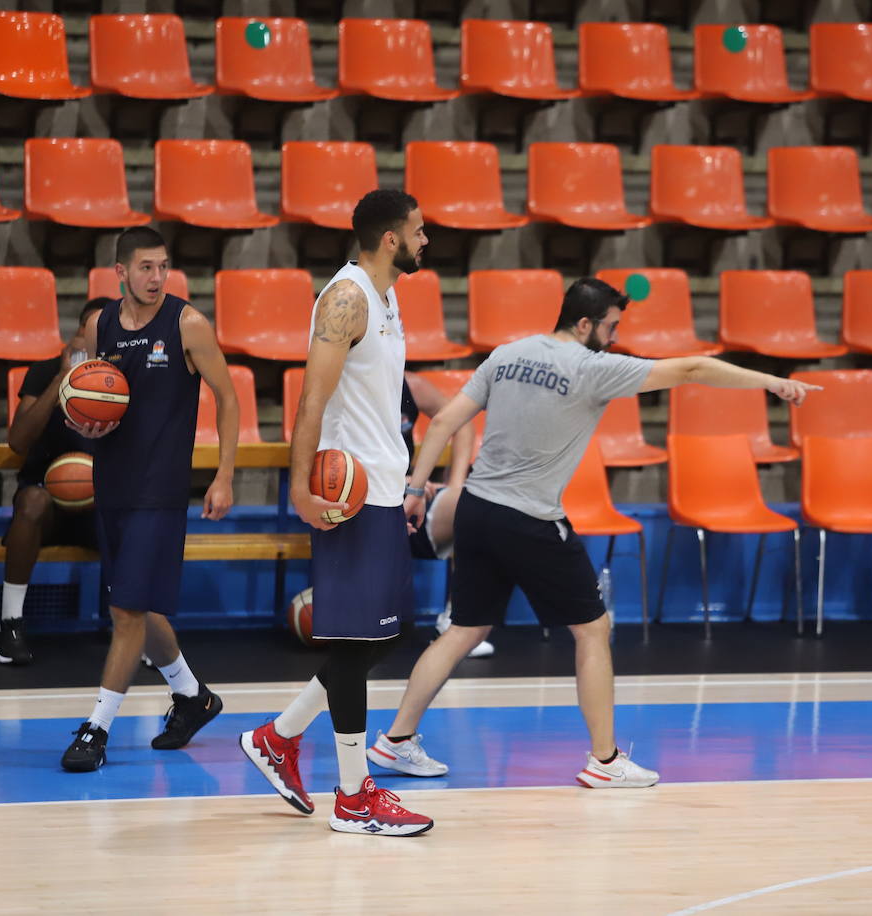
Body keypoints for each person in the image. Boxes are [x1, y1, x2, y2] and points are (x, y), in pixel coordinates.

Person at [378, 277, 820, 787]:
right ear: (584, 323)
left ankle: (395, 741)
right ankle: (605, 762)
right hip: (530, 519)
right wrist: (770, 382)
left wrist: (414, 492)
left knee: (463, 630)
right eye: (610, 327)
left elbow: (441, 424)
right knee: (593, 629)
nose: (614, 338)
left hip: (475, 509)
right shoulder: (594, 368)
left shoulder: (507, 354)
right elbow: (695, 368)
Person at [240, 189, 434, 837]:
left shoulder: (386, 295)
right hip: (348, 495)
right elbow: (311, 400)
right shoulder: (346, 298)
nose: (425, 241)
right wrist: (300, 488)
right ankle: (354, 797)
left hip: (383, 485)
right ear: (389, 240)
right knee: (358, 643)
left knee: (391, 634)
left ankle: (279, 736)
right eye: (418, 232)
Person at [59, 227, 239, 772]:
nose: (157, 277)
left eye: (163, 267)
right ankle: (193, 697)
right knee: (139, 604)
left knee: (126, 611)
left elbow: (228, 399)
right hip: (111, 483)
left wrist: (224, 475)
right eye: (145, 267)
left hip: (159, 491)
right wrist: (86, 425)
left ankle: (96, 730)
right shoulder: (101, 324)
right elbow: (97, 398)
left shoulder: (187, 324)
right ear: (120, 271)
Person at [0, 297, 110, 665]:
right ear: (77, 333)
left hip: (99, 505)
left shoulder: (122, 384)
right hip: (46, 504)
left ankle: (135, 628)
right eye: (89, 330)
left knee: (133, 512)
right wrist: (62, 379)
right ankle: (9, 626)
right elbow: (17, 441)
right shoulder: (44, 371)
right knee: (32, 502)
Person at [399, 373, 494, 659]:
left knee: (483, 508)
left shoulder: (411, 386)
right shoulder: (344, 384)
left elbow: (461, 422)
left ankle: (456, 625)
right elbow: (331, 454)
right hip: (360, 497)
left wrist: (455, 485)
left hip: (410, 496)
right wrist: (396, 479)